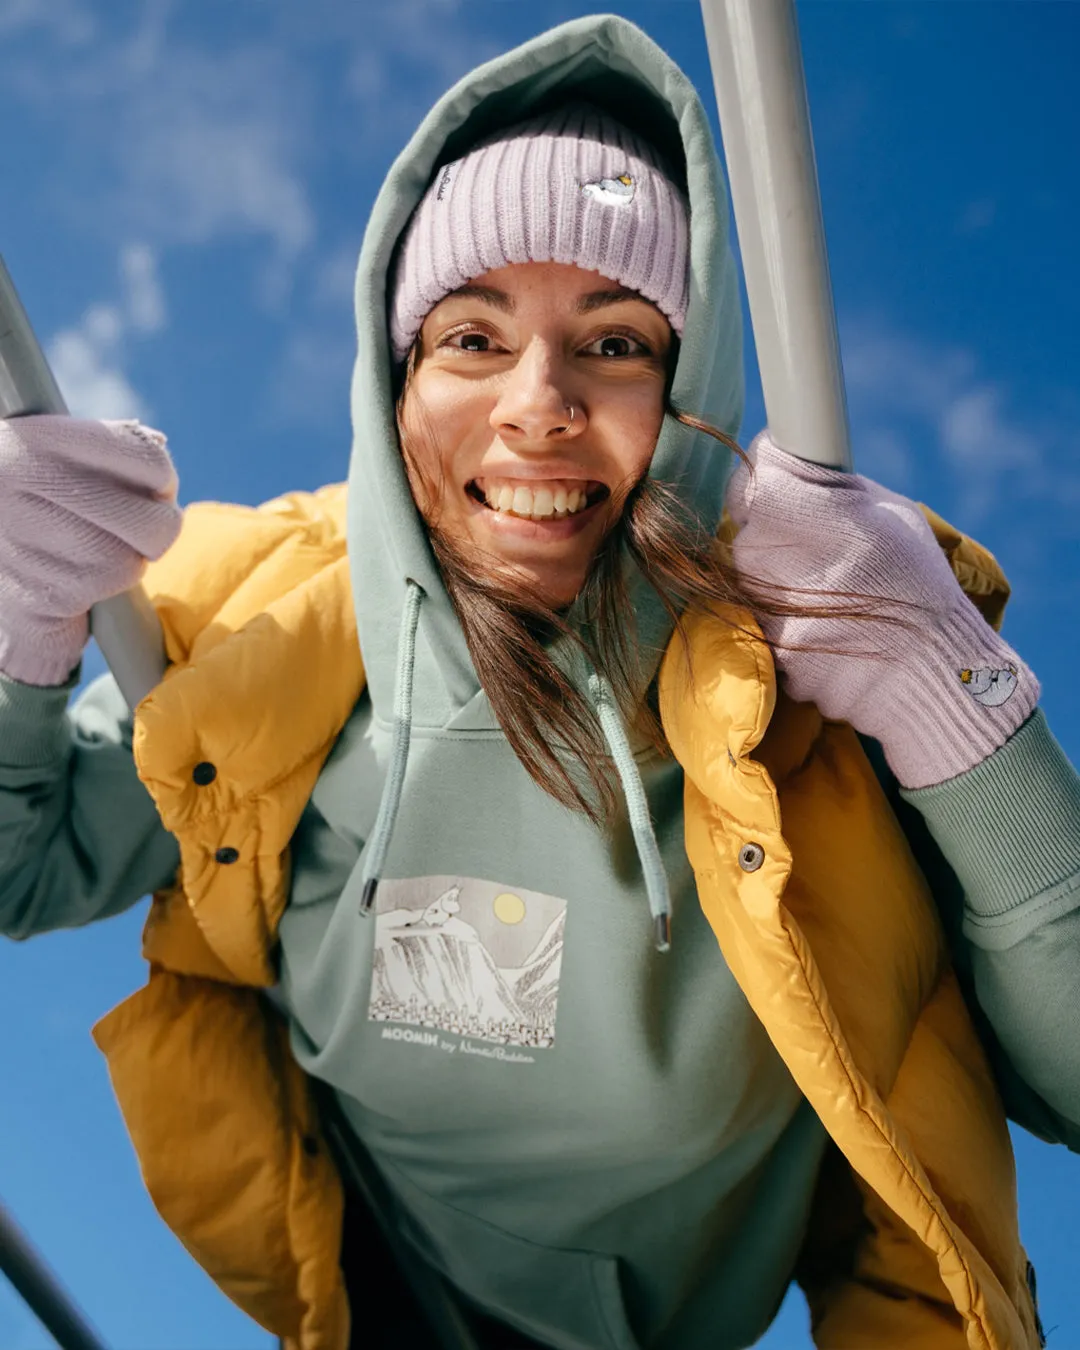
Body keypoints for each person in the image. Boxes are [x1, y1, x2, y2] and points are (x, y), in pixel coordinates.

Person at [0, 14, 1076, 1350]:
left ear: (693, 388)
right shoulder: (247, 631)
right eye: (470, 338)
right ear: (394, 376)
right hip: (380, 1301)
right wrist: (18, 620)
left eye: (617, 343)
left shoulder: (822, 665)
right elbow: (18, 868)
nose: (537, 404)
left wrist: (951, 700)